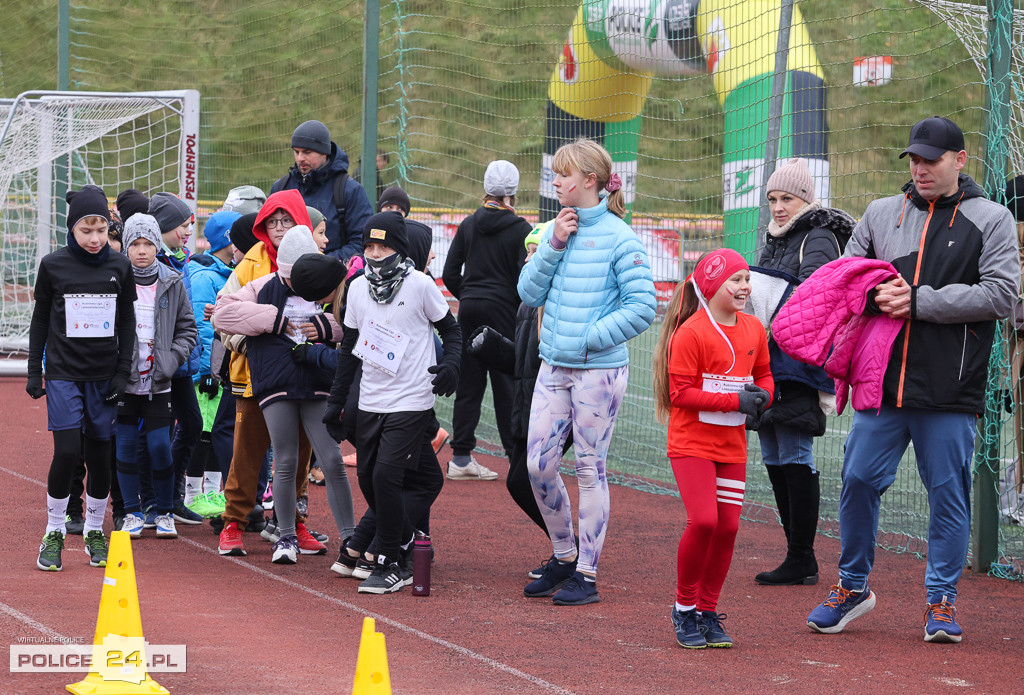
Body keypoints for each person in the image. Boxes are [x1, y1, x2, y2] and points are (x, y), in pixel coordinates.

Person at [805, 117, 1019, 643]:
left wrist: (920, 301)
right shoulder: (881, 213)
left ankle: (941, 603)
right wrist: (872, 293)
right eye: (915, 160)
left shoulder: (990, 219)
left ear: (960, 160)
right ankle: (853, 587)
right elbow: (846, 278)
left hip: (950, 387)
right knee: (856, 481)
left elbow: (1003, 296)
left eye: (932, 159)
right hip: (882, 383)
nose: (921, 169)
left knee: (948, 496)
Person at [517, 138, 657, 605]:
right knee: (537, 465)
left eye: (563, 174)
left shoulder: (621, 238)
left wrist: (587, 339)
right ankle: (562, 555)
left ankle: (587, 574)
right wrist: (553, 243)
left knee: (589, 469)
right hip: (553, 367)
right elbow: (528, 293)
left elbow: (643, 308)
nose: (554, 181)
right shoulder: (557, 229)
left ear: (590, 181)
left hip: (599, 372)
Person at [322, 211, 461, 594]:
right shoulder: (356, 289)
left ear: (399, 248)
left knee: (385, 476)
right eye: (369, 245)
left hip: (412, 399)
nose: (375, 253)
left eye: (383, 245)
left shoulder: (419, 284)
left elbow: (451, 328)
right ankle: (397, 541)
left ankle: (387, 559)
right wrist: (337, 403)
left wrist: (450, 363)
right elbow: (349, 349)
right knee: (376, 477)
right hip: (370, 399)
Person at [212, 225, 355, 565]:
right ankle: (283, 535)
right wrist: (273, 318)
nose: (299, 287)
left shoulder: (328, 284)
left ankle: (351, 539)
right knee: (284, 458)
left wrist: (324, 327)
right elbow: (222, 314)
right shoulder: (262, 284)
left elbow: (353, 320)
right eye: (292, 279)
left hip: (317, 380)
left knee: (331, 459)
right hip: (274, 384)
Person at [653, 249, 773, 649]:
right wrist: (735, 402)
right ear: (711, 286)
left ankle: (707, 610)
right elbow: (680, 394)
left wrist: (763, 399)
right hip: (691, 444)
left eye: (745, 279)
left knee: (728, 527)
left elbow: (765, 376)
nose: (744, 287)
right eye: (735, 280)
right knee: (703, 521)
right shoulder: (691, 332)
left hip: (731, 446)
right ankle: (683, 608)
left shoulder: (755, 328)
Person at [750, 158, 851, 586]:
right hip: (769, 360)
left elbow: (817, 295)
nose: (777, 206)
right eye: (772, 198)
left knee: (793, 451)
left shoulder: (820, 235)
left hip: (798, 364)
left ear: (806, 199)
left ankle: (802, 557)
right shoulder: (776, 237)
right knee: (774, 453)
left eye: (786, 198)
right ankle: (795, 553)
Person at [28, 185, 136, 571]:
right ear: (71, 230)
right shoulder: (53, 265)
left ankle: (94, 530)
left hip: (104, 375)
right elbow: (40, 319)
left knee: (100, 453)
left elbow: (127, 320)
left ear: (110, 229)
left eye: (101, 230)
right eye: (85, 230)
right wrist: (33, 369)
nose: (94, 239)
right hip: (63, 373)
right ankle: (54, 530)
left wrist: (123, 371)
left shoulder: (119, 266)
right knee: (69, 452)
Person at [214, 190, 320, 556]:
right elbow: (223, 319)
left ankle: (292, 523)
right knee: (247, 451)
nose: (278, 228)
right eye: (272, 222)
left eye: (286, 220)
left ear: (299, 223)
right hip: (253, 377)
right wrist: (249, 346)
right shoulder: (250, 264)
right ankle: (234, 522)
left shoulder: (317, 263)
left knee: (300, 454)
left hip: (306, 378)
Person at [467, 223, 577, 577]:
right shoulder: (528, 302)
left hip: (556, 406)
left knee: (526, 479)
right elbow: (526, 364)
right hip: (528, 402)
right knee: (520, 481)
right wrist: (495, 347)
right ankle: (567, 550)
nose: (528, 257)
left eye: (535, 250)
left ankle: (570, 554)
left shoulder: (561, 300)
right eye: (527, 252)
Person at [442, 160, 531, 480]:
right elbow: (525, 281)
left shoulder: (468, 224)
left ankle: (461, 457)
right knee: (507, 384)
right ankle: (515, 457)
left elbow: (450, 272)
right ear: (514, 195)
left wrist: (467, 296)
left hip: (469, 310)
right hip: (504, 313)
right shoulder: (522, 230)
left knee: (469, 383)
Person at [116, 214, 198, 539]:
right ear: (126, 246)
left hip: (159, 382)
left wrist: (171, 360)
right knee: (123, 447)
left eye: (148, 243)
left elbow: (188, 329)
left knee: (160, 447)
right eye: (134, 244)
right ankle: (134, 513)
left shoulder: (172, 281)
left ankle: (164, 511)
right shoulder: (115, 279)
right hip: (124, 382)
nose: (141, 250)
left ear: (157, 245)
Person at [148, 192, 205, 526]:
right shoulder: (154, 261)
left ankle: (170, 496)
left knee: (192, 424)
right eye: (182, 225)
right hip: (159, 363)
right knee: (153, 433)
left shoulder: (181, 260)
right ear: (165, 227)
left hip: (180, 361)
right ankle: (154, 501)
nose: (188, 230)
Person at [183, 209, 241, 518]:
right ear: (229, 241)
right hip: (210, 373)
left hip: (222, 369)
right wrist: (208, 371)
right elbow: (202, 327)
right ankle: (194, 494)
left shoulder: (227, 273)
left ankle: (214, 492)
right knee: (204, 432)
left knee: (219, 432)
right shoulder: (205, 275)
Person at [271, 120, 374, 263]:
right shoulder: (281, 188)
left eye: (307, 152)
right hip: (283, 274)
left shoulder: (350, 190)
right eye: (296, 152)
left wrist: (322, 263)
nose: (300, 158)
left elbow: (362, 243)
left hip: (332, 278)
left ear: (324, 153)